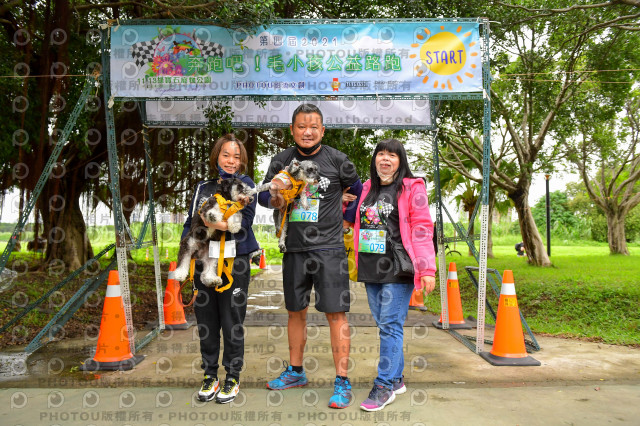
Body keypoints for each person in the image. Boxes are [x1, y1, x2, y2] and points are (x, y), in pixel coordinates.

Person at [258, 104, 362, 408]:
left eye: (314, 126)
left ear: (322, 131)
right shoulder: (281, 160)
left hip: (329, 249)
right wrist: (276, 198)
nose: (307, 132)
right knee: (295, 311)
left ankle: (342, 380)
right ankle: (295, 371)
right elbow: (263, 195)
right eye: (302, 126)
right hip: (294, 247)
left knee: (336, 313)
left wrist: (347, 220)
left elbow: (359, 190)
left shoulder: (337, 160)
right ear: (292, 130)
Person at [353, 139, 436, 411]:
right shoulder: (367, 187)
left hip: (398, 266)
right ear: (374, 159)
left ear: (401, 161)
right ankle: (397, 378)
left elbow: (422, 228)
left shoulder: (413, 187)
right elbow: (357, 220)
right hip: (370, 266)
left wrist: (427, 269)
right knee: (386, 326)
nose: (385, 159)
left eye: (392, 155)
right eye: (381, 154)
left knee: (389, 326)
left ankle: (384, 385)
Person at [182, 134, 260, 404]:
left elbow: (244, 223)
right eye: (226, 155)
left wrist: (214, 223)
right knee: (206, 321)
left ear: (242, 161)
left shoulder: (246, 185)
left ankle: (232, 377)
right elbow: (190, 223)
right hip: (204, 260)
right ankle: (210, 375)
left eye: (237, 156)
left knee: (231, 320)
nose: (231, 161)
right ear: (216, 156)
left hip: (234, 262)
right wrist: (186, 254)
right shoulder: (202, 187)